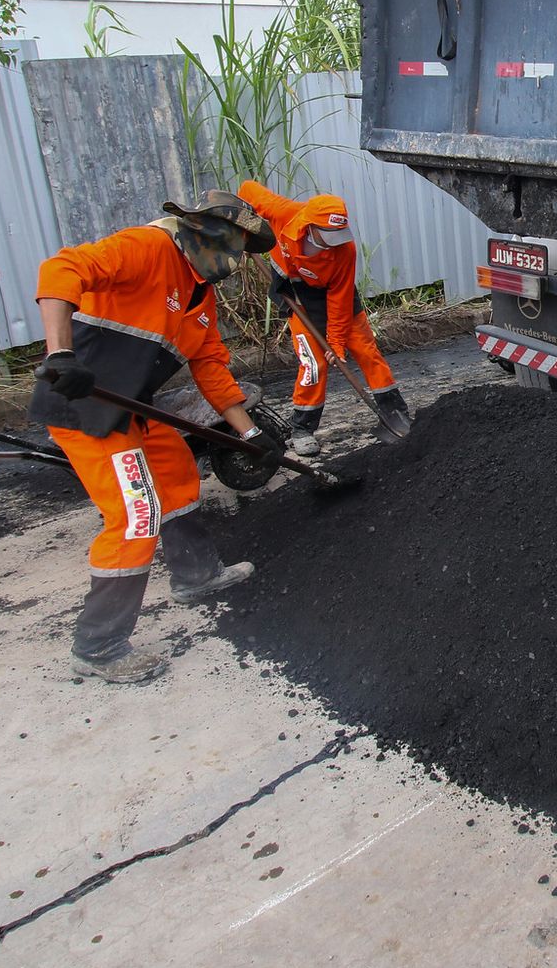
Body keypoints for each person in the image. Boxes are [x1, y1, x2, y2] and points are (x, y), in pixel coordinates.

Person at [31, 191, 280, 683]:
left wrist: (251, 434)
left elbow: (211, 370)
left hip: (133, 405)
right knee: (135, 513)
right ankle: (99, 646)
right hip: (84, 404)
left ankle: (196, 575)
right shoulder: (146, 248)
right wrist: (60, 355)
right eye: (231, 247)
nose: (233, 262)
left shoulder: (200, 296)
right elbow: (59, 269)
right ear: (200, 232)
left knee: (176, 474)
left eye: (241, 252)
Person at [236, 183, 412, 454]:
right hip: (296, 297)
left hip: (334, 298)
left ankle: (395, 412)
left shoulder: (345, 250)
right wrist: (241, 226)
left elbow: (340, 300)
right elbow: (248, 189)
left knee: (367, 352)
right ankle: (303, 428)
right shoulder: (285, 214)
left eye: (338, 234)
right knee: (313, 363)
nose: (335, 241)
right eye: (329, 234)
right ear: (309, 226)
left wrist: (337, 343)